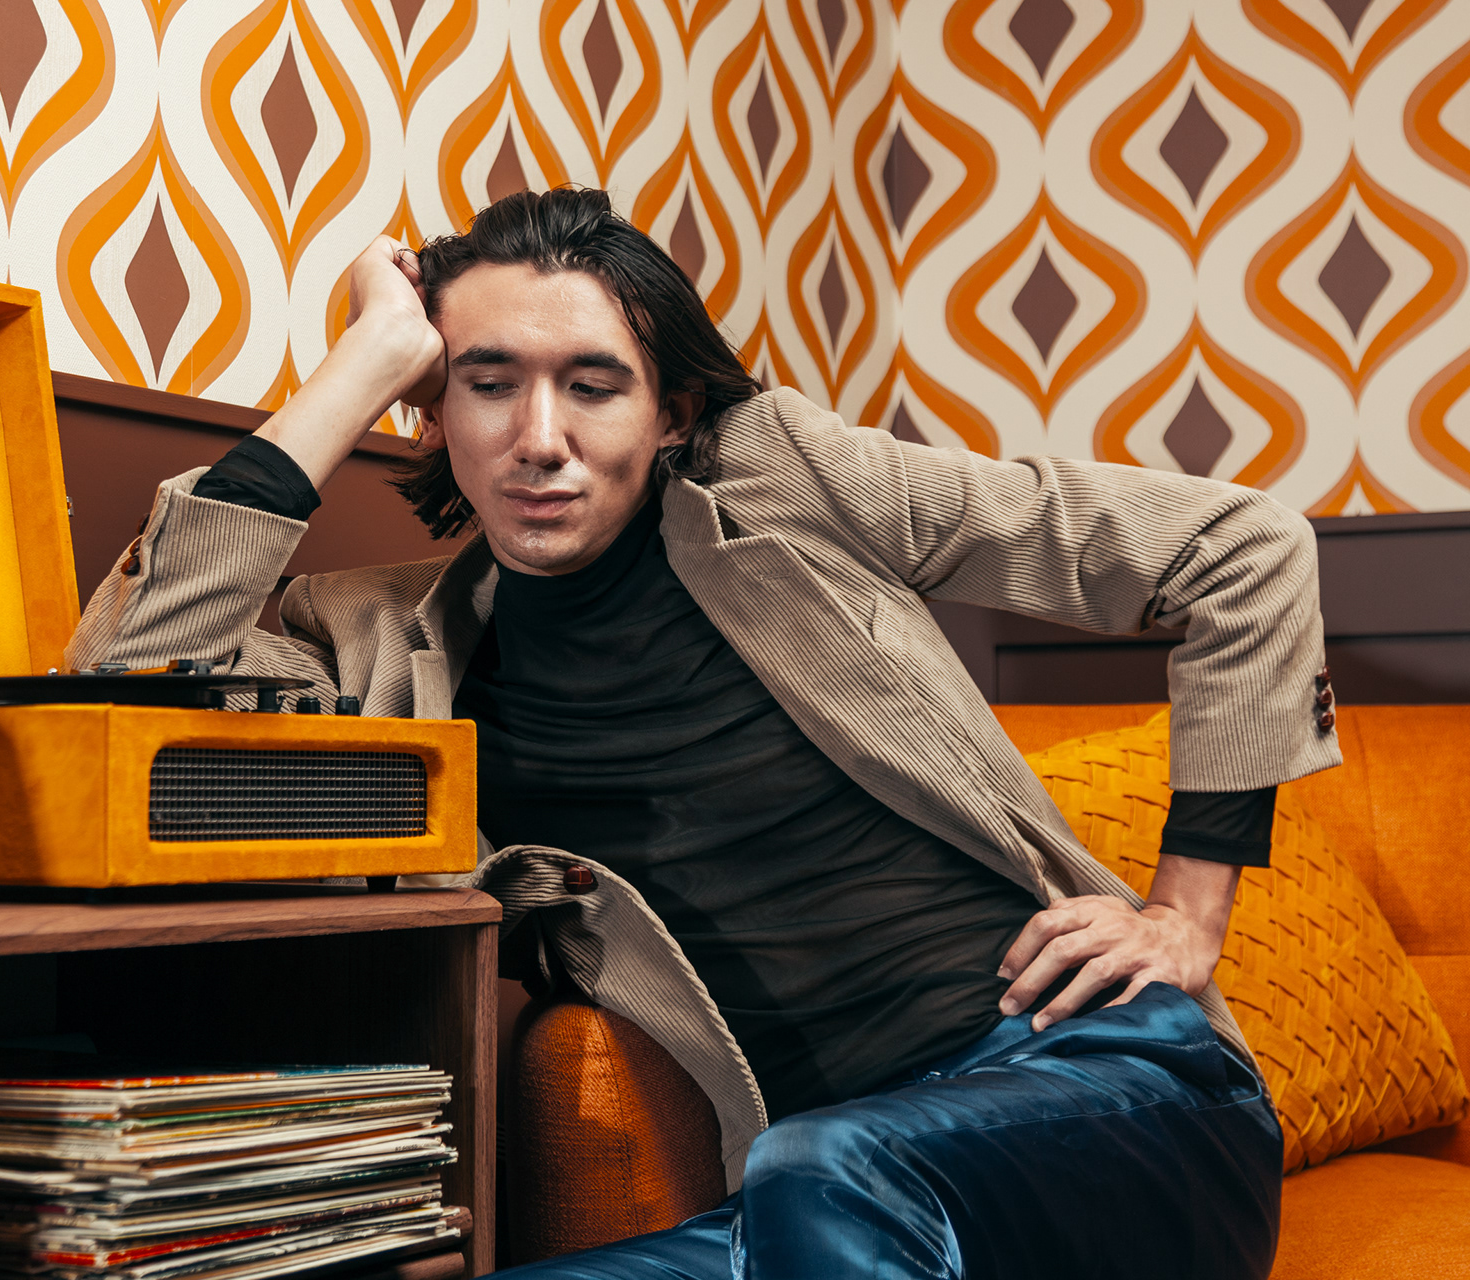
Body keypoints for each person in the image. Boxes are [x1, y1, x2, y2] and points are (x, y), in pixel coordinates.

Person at [66, 187, 1340, 1279]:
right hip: (815, 1202)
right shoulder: (382, 644)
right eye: (486, 383)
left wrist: (1188, 913)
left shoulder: (784, 481)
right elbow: (123, 676)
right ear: (431, 410)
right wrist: (362, 360)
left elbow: (1243, 549)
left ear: (671, 412)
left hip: (1118, 1098)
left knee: (829, 1164)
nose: (540, 441)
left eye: (594, 386)